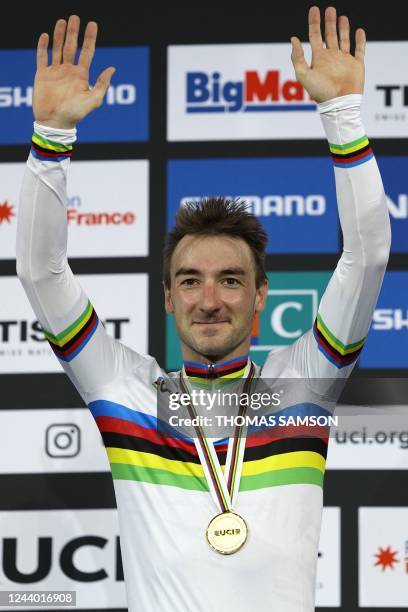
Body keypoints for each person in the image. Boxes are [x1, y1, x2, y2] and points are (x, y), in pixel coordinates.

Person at [16, 6, 391, 612]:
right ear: (168, 297)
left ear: (261, 295)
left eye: (231, 280)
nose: (210, 300)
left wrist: (342, 114)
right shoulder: (128, 392)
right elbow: (39, 271)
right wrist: (52, 137)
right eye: (190, 281)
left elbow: (368, 256)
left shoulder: (301, 389)